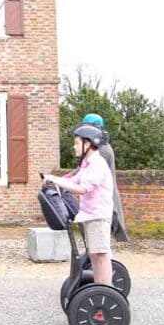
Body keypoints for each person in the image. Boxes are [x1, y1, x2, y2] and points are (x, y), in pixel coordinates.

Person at [43, 126, 114, 285]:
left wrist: (55, 180)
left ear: (87, 144)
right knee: (95, 256)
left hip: (98, 216)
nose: (74, 147)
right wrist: (52, 178)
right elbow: (73, 181)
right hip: (90, 215)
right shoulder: (86, 164)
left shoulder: (97, 164)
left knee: (101, 255)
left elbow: (82, 189)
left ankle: (107, 289)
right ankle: (99, 288)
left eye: (76, 143)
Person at [80, 114, 129, 242]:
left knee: (100, 243)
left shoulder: (102, 151)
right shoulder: (95, 148)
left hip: (102, 201)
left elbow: (88, 175)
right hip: (96, 201)